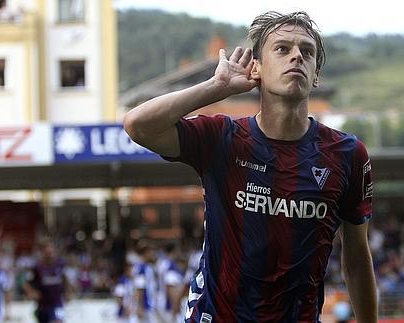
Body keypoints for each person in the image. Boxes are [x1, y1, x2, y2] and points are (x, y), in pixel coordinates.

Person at [124, 11, 377, 323]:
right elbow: (138, 125)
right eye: (282, 49)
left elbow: (356, 256)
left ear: (316, 75)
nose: (296, 56)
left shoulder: (347, 154)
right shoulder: (223, 139)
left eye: (307, 51)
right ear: (256, 67)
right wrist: (217, 87)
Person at [23, 240, 71, 323]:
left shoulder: (61, 264)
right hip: (42, 306)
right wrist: (32, 293)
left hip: (57, 304)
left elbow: (65, 279)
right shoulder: (37, 267)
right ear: (43, 252)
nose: (50, 253)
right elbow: (26, 283)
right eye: (47, 251)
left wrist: (68, 292)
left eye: (51, 251)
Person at [134, 245, 158, 323]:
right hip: (145, 305)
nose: (153, 254)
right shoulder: (141, 268)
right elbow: (140, 287)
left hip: (151, 304)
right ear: (146, 253)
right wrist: (140, 306)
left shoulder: (149, 267)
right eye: (151, 252)